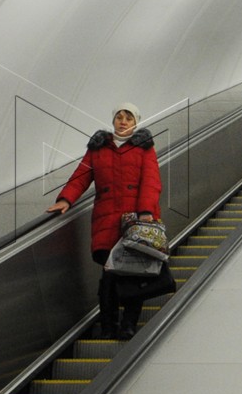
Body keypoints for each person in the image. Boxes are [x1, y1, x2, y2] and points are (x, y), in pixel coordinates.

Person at [46, 103, 161, 339]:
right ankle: (108, 326)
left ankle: (128, 324)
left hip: (136, 221)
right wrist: (66, 199)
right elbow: (81, 176)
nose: (123, 121)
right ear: (113, 121)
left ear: (136, 122)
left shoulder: (144, 148)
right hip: (106, 220)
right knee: (109, 275)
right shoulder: (98, 148)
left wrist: (146, 211)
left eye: (128, 118)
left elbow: (151, 181)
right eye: (119, 117)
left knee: (133, 273)